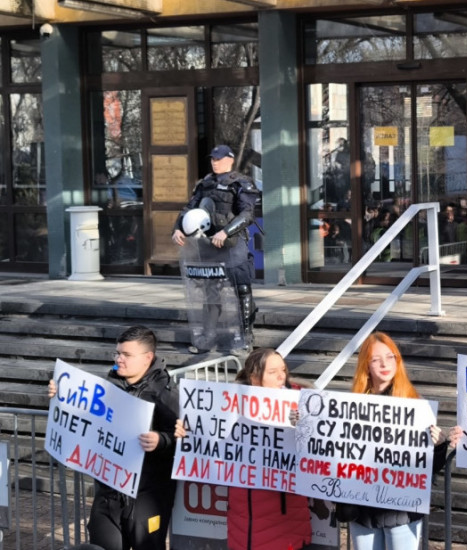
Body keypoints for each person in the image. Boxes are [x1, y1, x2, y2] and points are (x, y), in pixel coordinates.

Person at [48, 326, 179, 550]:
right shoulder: (105, 387)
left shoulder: (168, 395)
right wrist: (60, 397)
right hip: (108, 496)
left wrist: (162, 441)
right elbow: (82, 420)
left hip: (147, 498)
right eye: (117, 353)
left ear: (148, 358)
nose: (119, 359)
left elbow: (187, 442)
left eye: (126, 355)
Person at [175, 348, 313, 550]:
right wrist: (190, 430)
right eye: (273, 372)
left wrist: (305, 425)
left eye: (283, 369)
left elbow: (313, 453)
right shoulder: (229, 406)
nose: (281, 376)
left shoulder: (299, 404)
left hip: (285, 524)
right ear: (255, 378)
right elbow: (214, 444)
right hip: (241, 524)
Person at [343, 332, 462, 550]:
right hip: (362, 509)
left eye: (390, 357)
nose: (384, 364)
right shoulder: (351, 406)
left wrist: (438, 446)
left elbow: (429, 469)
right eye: (376, 359)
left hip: (401, 511)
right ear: (365, 365)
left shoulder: (415, 405)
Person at [172, 144, 261, 353]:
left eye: (219, 159)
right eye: (213, 159)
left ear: (230, 160)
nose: (215, 162)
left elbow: (247, 215)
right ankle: (208, 337)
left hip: (232, 242)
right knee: (209, 290)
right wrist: (177, 228)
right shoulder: (206, 183)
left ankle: (246, 338)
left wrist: (226, 232)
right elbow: (190, 208)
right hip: (207, 243)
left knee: (241, 287)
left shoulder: (241, 182)